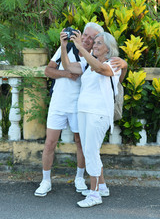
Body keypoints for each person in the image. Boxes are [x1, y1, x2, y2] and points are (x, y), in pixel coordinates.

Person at [34, 22, 127, 198]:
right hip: (69, 106)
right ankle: (48, 181)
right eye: (85, 35)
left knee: (85, 147)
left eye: (93, 39)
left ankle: (87, 186)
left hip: (89, 110)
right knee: (58, 144)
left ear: (102, 45)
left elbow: (106, 71)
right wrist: (65, 51)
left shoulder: (103, 60)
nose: (86, 39)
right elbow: (58, 69)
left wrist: (125, 64)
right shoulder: (78, 54)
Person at [60, 30, 125, 207]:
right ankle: (101, 187)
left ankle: (95, 195)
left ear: (108, 49)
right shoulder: (87, 64)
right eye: (94, 42)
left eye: (98, 43)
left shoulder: (114, 63)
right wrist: (64, 47)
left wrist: (81, 46)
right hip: (85, 112)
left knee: (91, 152)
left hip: (98, 113)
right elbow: (68, 67)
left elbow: (100, 69)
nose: (94, 45)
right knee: (91, 150)